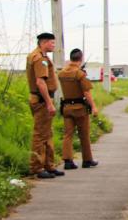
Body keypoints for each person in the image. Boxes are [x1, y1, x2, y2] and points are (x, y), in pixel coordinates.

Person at [26, 32, 63, 179]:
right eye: (51, 43)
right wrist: (49, 103)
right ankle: (37, 167)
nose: (53, 45)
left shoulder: (43, 57)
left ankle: (49, 165)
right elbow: (40, 82)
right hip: (42, 100)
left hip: (43, 99)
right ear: (43, 42)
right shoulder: (39, 58)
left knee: (47, 134)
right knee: (40, 135)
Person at [57, 48, 99, 170]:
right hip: (80, 108)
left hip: (67, 107)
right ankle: (87, 160)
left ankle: (68, 161)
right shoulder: (80, 74)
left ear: (70, 58)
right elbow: (86, 92)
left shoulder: (62, 73)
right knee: (84, 134)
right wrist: (94, 107)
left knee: (67, 134)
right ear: (81, 59)